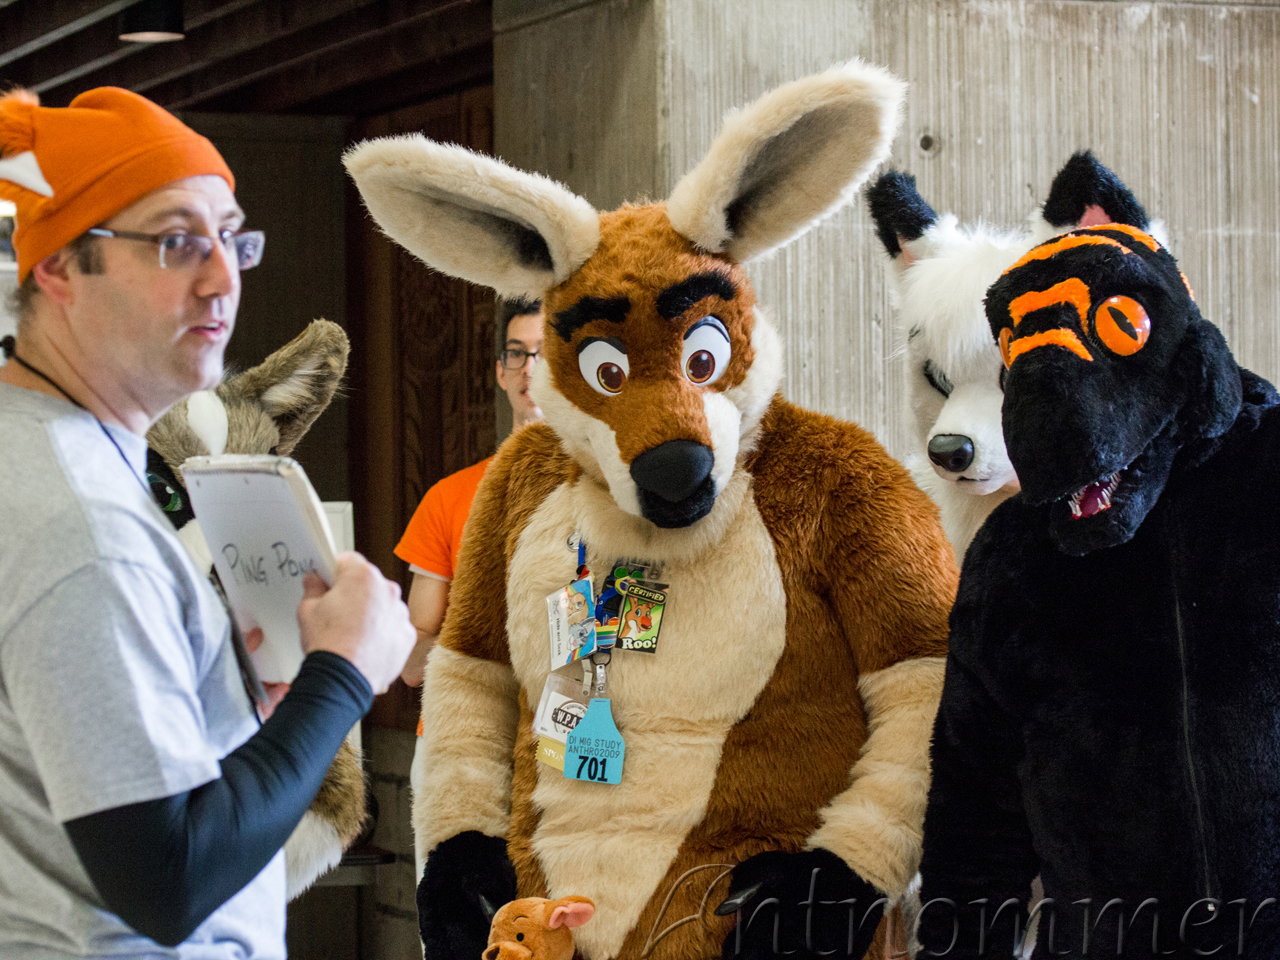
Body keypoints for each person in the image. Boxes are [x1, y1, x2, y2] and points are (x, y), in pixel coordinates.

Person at [0, 87, 415, 959]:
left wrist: (224, 692)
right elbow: (169, 877)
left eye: (232, 238)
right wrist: (342, 675)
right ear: (60, 268)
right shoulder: (84, 530)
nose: (223, 277)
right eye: (177, 241)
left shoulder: (39, 452)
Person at [395, 297, 544, 688]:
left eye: (545, 353)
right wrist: (488, 642)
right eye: (517, 354)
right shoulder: (447, 497)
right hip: (463, 718)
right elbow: (410, 664)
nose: (529, 368)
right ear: (501, 372)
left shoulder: (610, 497)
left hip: (568, 722)